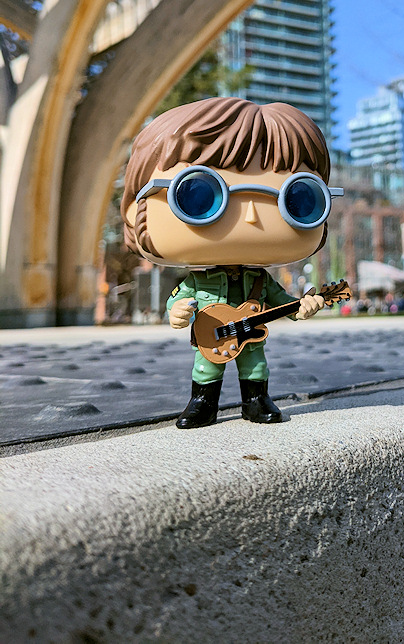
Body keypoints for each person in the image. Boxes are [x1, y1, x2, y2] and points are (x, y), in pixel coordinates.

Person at [121, 97, 342, 428]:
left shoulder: (261, 281)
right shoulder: (200, 280)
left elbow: (284, 303)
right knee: (206, 366)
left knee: (255, 365)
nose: (251, 216)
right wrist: (177, 311)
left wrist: (305, 306)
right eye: (197, 194)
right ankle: (202, 403)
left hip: (249, 336)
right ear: (134, 209)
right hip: (211, 335)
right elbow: (179, 297)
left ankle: (256, 400)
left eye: (300, 199)